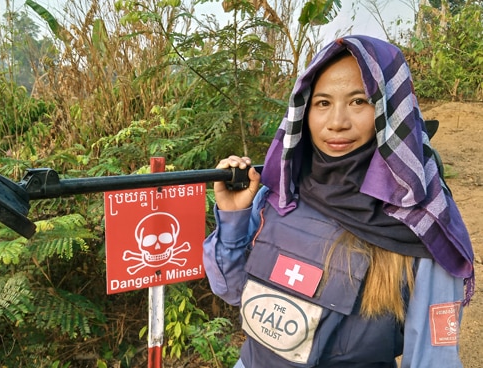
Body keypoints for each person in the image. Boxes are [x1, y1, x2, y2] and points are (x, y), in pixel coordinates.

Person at [203, 35, 474, 368]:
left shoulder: (423, 222)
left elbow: (433, 360)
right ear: (304, 109)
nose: (337, 122)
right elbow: (231, 290)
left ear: (390, 109)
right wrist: (232, 217)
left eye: (359, 101)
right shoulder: (282, 193)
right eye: (323, 103)